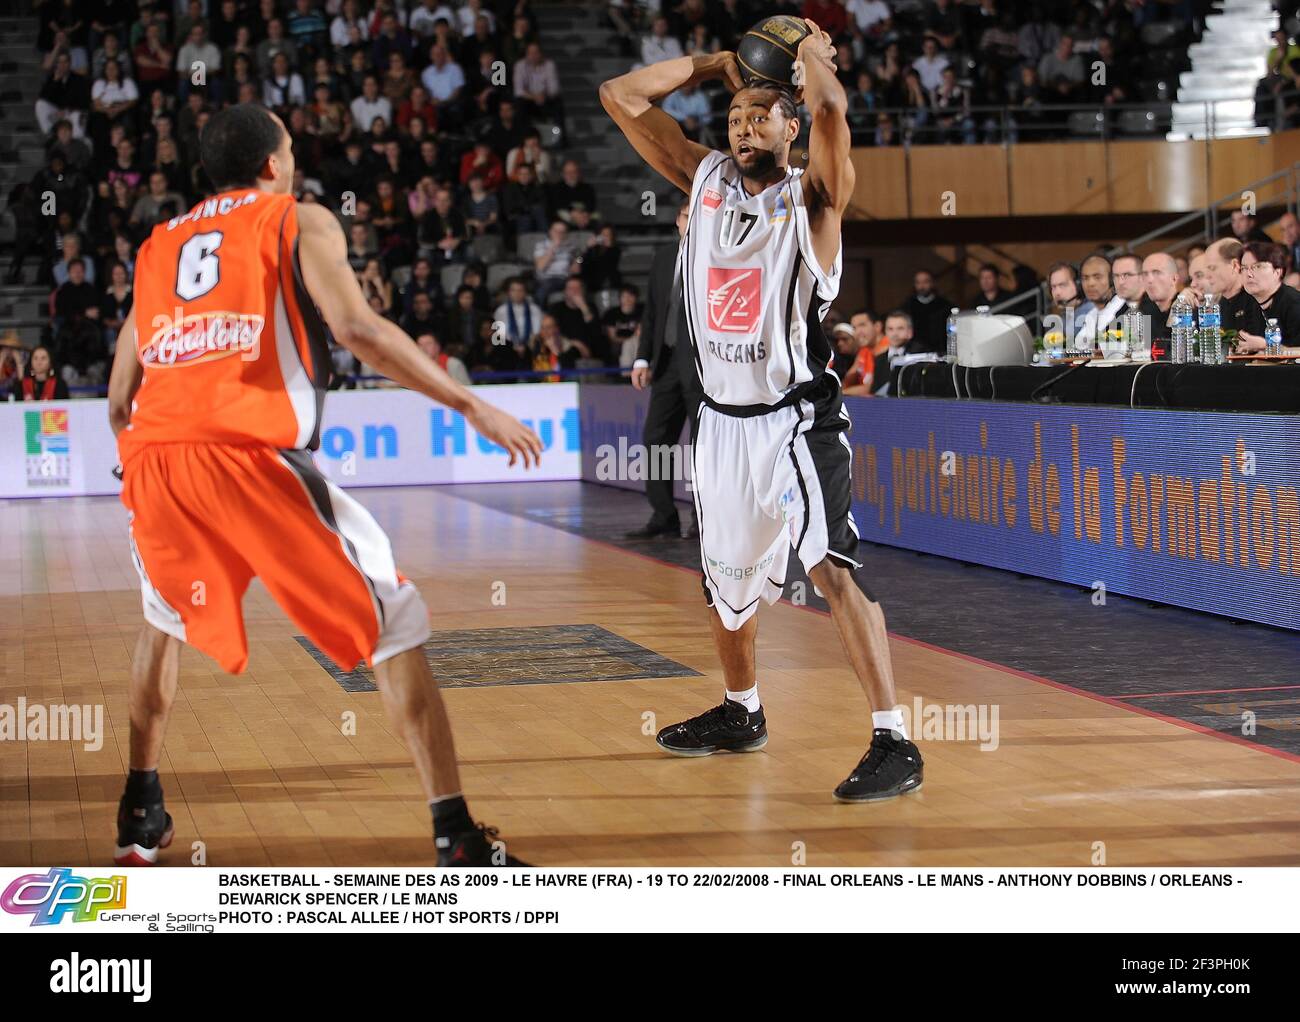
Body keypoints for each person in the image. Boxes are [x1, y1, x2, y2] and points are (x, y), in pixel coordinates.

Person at [105, 104, 543, 868]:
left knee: (164, 620)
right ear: (274, 165)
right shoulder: (297, 218)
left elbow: (118, 398)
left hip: (156, 459)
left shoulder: (157, 245)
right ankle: (456, 834)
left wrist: (153, 462)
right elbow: (358, 328)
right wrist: (471, 402)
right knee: (395, 620)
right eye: (292, 151)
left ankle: (140, 809)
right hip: (246, 455)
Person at [601, 24, 924, 800]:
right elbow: (620, 95)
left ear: (790, 128)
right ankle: (742, 711)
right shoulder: (703, 178)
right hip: (720, 424)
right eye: (737, 116)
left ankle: (894, 739)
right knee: (727, 581)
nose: (746, 127)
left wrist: (812, 61)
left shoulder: (812, 200)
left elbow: (837, 116)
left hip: (794, 420)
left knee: (829, 568)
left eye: (763, 116)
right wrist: (716, 63)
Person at [627, 201, 702, 539]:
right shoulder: (664, 257)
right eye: (687, 216)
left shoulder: (718, 255)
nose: (691, 222)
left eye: (698, 216)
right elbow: (652, 313)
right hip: (666, 363)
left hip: (704, 369)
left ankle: (704, 521)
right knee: (656, 439)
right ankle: (663, 515)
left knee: (705, 448)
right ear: (678, 220)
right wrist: (642, 358)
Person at [1237, 241, 1300, 350]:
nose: (1249, 274)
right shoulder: (1254, 304)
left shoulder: (1294, 303)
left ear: (1278, 272)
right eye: (1244, 268)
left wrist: (1264, 346)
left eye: (1257, 266)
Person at [1138, 253, 1178, 360]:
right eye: (1145, 274)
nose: (1149, 280)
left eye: (1157, 272)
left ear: (1174, 278)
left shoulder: (1187, 307)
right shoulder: (1144, 310)